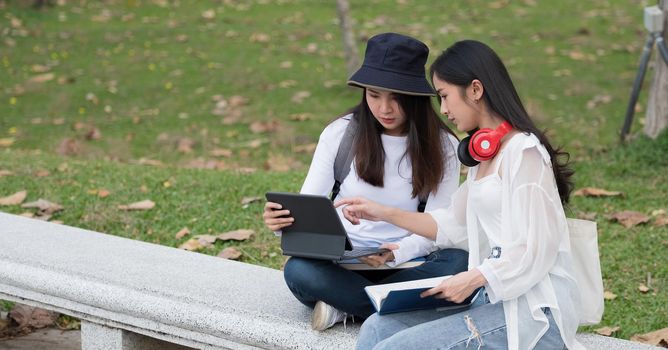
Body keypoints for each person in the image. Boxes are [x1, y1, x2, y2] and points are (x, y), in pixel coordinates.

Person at [338, 40, 583, 349]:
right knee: (376, 327)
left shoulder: (525, 152)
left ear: (475, 90)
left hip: (531, 313)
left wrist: (474, 278)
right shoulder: (482, 158)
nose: (444, 110)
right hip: (489, 300)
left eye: (445, 97)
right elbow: (451, 225)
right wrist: (383, 212)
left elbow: (537, 249)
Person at [262, 33, 468, 331]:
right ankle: (397, 311)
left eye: (396, 98)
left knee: (456, 264)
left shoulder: (443, 146)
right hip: (341, 263)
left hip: (407, 263)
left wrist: (396, 251)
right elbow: (310, 210)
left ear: (416, 96)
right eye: (374, 95)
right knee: (299, 271)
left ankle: (345, 306)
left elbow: (440, 226)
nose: (384, 109)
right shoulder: (340, 133)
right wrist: (283, 223)